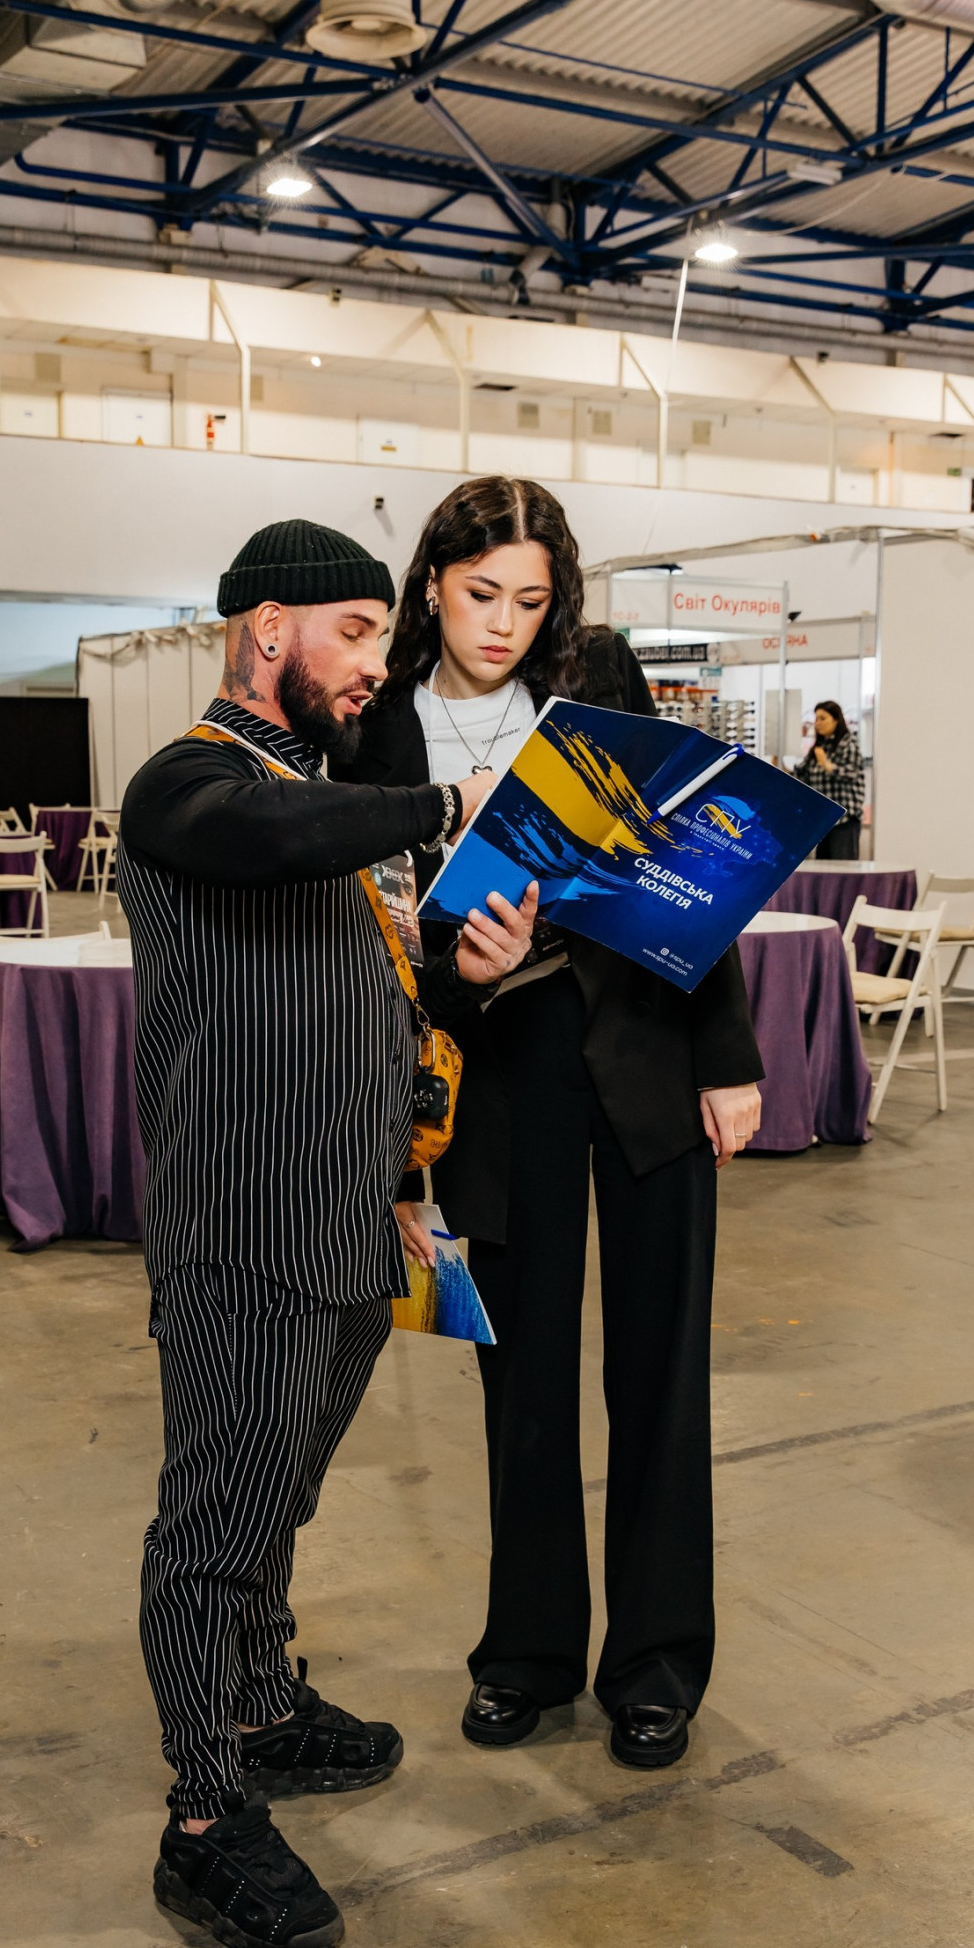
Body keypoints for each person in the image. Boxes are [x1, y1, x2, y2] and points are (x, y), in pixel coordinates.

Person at [117, 518, 533, 1948]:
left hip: (354, 1218)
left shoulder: (334, 812)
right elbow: (264, 838)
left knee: (276, 1496)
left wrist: (464, 972)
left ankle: (257, 1702)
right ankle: (202, 1815)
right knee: (214, 1526)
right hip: (242, 1223)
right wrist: (444, 801)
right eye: (352, 633)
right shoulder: (191, 783)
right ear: (265, 629)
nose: (372, 664)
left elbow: (384, 993)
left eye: (380, 639)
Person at [335, 476, 764, 1774]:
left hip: (643, 1054)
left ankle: (655, 1663)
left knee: (658, 1369)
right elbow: (369, 942)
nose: (502, 623)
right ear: (431, 583)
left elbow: (684, 874)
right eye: (480, 594)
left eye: (528, 600)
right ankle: (524, 1653)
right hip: (496, 1074)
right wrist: (457, 973)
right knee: (520, 1374)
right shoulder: (381, 726)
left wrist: (728, 1057)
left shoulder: (599, 677)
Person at [793, 699, 864, 859]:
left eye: (822, 718)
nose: (817, 723)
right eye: (816, 719)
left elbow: (852, 773)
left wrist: (827, 765)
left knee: (843, 869)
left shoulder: (848, 743)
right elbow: (803, 776)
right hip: (823, 821)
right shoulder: (818, 747)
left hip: (845, 821)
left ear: (836, 719)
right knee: (823, 869)